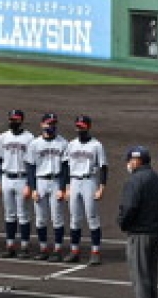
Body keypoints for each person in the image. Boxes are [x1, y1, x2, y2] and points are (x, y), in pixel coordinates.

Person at [118, 146, 158, 298]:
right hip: (155, 233)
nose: (128, 163)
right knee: (151, 272)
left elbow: (129, 207)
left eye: (130, 160)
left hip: (139, 233)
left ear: (136, 161)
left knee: (139, 273)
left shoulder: (135, 181)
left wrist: (123, 223)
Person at [63, 115, 107, 265]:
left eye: (82, 126)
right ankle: (74, 251)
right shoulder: (71, 144)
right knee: (75, 219)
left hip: (90, 181)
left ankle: (95, 252)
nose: (79, 129)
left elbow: (103, 167)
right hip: (74, 181)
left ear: (88, 127)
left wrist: (101, 188)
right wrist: (67, 187)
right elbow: (65, 166)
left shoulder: (96, 145)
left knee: (92, 217)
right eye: (78, 126)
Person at [25, 113, 68, 262]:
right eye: (48, 124)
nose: (51, 126)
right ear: (42, 124)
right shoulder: (34, 144)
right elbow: (30, 167)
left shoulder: (63, 143)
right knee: (40, 219)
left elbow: (65, 168)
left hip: (56, 181)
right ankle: (43, 249)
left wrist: (62, 188)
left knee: (57, 218)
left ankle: (57, 249)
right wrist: (33, 188)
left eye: (53, 124)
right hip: (40, 182)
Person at [0, 110, 34, 258]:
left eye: (16, 120)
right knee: (9, 214)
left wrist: (30, 184)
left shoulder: (29, 138)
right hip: (6, 178)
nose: (13, 122)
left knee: (23, 215)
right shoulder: (3, 137)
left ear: (21, 121)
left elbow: (31, 163)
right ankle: (10, 246)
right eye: (11, 119)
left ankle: (24, 247)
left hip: (22, 178)